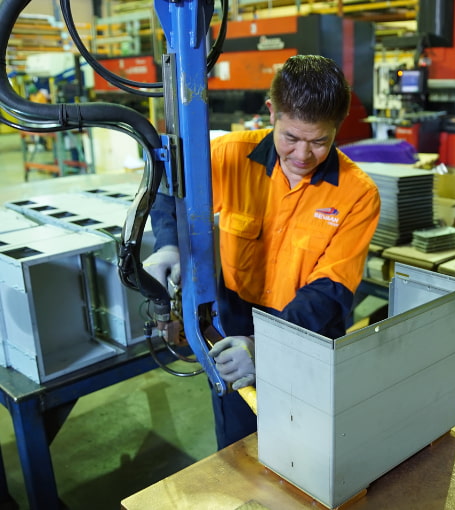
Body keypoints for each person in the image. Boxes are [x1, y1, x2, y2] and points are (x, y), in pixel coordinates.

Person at [144, 54, 381, 449]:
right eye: (291, 137)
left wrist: (267, 347)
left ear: (338, 128)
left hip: (310, 334)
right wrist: (168, 244)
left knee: (308, 451)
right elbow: (172, 194)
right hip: (234, 323)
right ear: (272, 112)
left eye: (320, 141)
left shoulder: (358, 194)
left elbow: (331, 290)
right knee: (240, 449)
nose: (303, 155)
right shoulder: (229, 155)